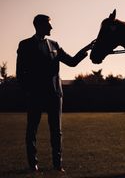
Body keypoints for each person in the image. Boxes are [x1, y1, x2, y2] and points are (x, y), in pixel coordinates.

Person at [16, 14, 93, 173]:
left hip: (54, 94)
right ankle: (33, 164)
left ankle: (58, 164)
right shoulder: (25, 45)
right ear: (39, 25)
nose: (51, 28)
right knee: (32, 130)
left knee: (56, 131)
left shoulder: (55, 44)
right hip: (35, 95)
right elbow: (20, 73)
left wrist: (86, 49)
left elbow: (71, 62)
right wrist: (28, 92)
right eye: (49, 25)